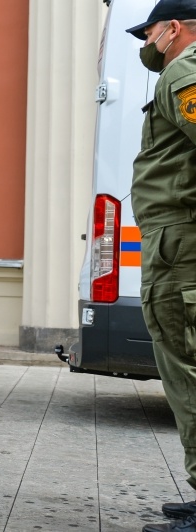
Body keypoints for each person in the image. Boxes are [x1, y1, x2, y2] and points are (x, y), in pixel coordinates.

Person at [126, 2, 196, 531]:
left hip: (182, 249)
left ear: (173, 29)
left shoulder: (183, 71)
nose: (145, 43)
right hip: (178, 243)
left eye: (148, 32)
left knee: (187, 370)